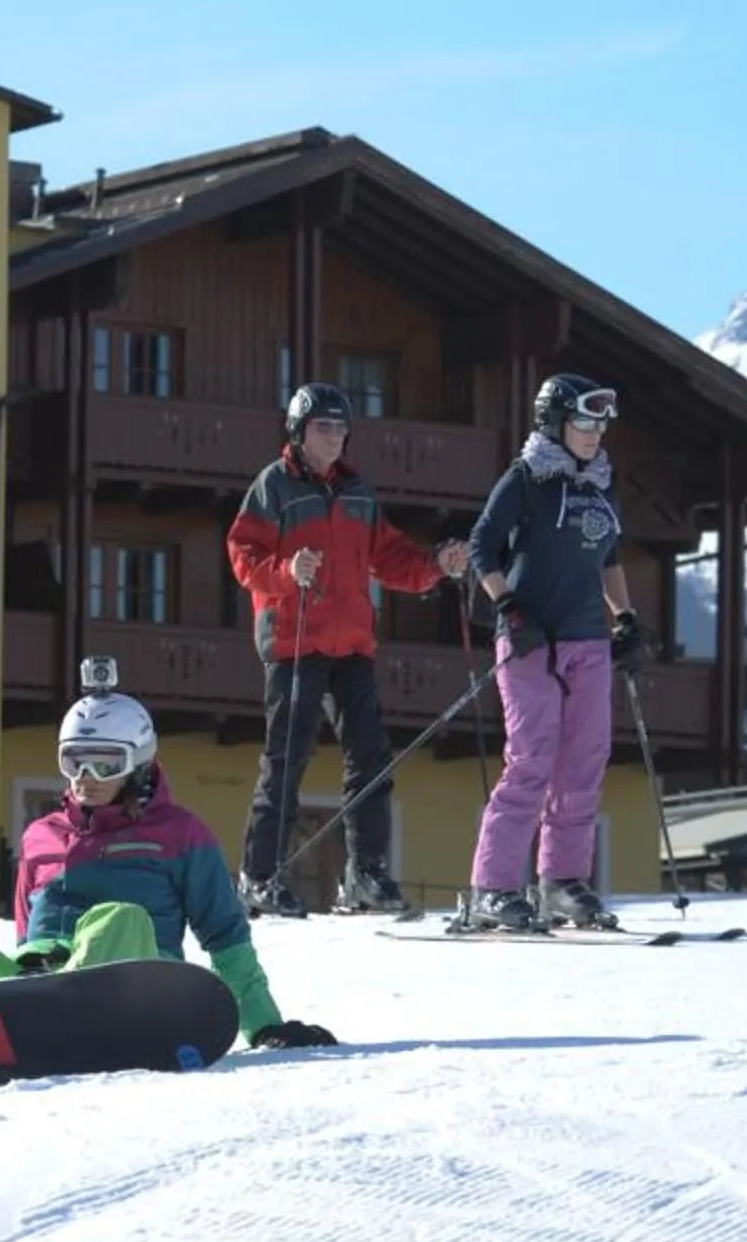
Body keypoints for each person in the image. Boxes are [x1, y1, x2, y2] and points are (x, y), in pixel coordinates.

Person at [0, 665, 334, 1050]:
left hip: (133, 1002)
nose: (85, 775)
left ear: (138, 763)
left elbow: (226, 937)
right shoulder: (40, 837)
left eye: (105, 761)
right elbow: (26, 935)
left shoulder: (180, 834)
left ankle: (56, 1013)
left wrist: (265, 1023)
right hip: (30, 993)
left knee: (117, 918)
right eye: (73, 760)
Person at [225, 382, 471, 919]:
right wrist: (287, 573)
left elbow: (391, 556)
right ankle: (260, 879)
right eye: (323, 427)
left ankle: (366, 874)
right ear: (298, 431)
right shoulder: (275, 486)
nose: (334, 437)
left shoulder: (357, 491)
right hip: (294, 640)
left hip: (352, 643)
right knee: (287, 760)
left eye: (340, 428)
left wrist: (437, 564)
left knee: (371, 757)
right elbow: (243, 555)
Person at [465, 373, 651, 931]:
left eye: (600, 424)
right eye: (583, 422)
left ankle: (562, 882)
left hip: (587, 637)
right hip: (529, 640)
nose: (594, 434)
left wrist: (627, 618)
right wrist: (508, 607)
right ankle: (492, 888)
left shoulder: (601, 485)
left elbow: (609, 560)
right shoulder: (527, 479)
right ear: (554, 422)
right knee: (531, 760)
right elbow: (481, 545)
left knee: (584, 761)